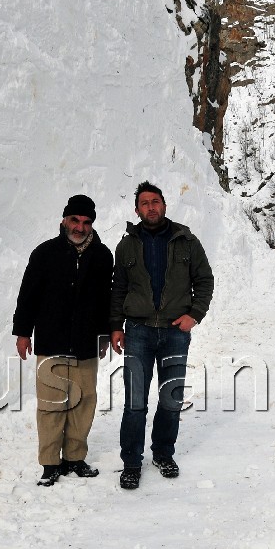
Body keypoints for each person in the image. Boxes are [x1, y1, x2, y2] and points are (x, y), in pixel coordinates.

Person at [110, 181, 214, 491]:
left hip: (174, 333)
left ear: (165, 206)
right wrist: (116, 326)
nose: (151, 207)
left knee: (171, 398)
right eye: (144, 203)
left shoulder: (187, 241)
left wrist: (195, 314)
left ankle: (163, 454)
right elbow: (118, 289)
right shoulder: (126, 246)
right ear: (137, 210)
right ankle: (131, 462)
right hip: (138, 332)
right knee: (135, 402)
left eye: (155, 201)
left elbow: (204, 280)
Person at [13, 194, 113, 487]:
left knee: (84, 403)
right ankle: (50, 463)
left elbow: (107, 299)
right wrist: (23, 332)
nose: (80, 227)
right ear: (64, 220)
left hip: (86, 343)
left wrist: (105, 334)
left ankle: (75, 458)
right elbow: (28, 295)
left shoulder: (103, 255)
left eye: (86, 222)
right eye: (75, 220)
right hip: (51, 341)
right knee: (50, 404)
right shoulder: (44, 253)